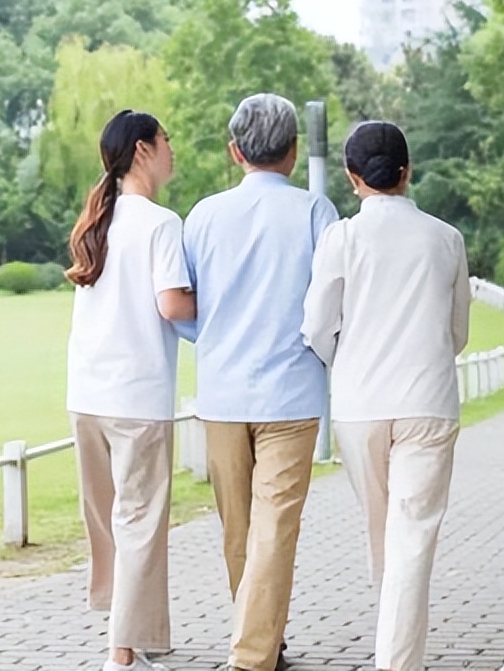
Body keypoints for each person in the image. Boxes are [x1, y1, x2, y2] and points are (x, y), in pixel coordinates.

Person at [300, 121, 471, 671]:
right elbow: (458, 332)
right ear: (407, 170)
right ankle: (397, 657)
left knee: (386, 534)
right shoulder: (446, 238)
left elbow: (317, 326)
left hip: (360, 405)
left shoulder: (342, 238)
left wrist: (346, 360)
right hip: (427, 401)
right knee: (410, 541)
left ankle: (395, 650)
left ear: (354, 179)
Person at [180, 93, 339, 671]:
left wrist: (214, 337)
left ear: (234, 151)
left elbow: (180, 305)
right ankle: (256, 651)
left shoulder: (202, 214)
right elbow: (333, 301)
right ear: (293, 153)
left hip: (221, 391)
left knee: (240, 530)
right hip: (292, 393)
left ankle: (256, 648)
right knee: (275, 525)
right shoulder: (317, 212)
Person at [65, 109, 196, 671]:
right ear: (143, 149)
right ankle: (121, 654)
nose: (172, 150)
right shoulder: (161, 223)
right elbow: (172, 304)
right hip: (138, 397)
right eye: (166, 141)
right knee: (140, 522)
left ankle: (128, 634)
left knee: (111, 520)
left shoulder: (99, 218)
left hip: (87, 394)